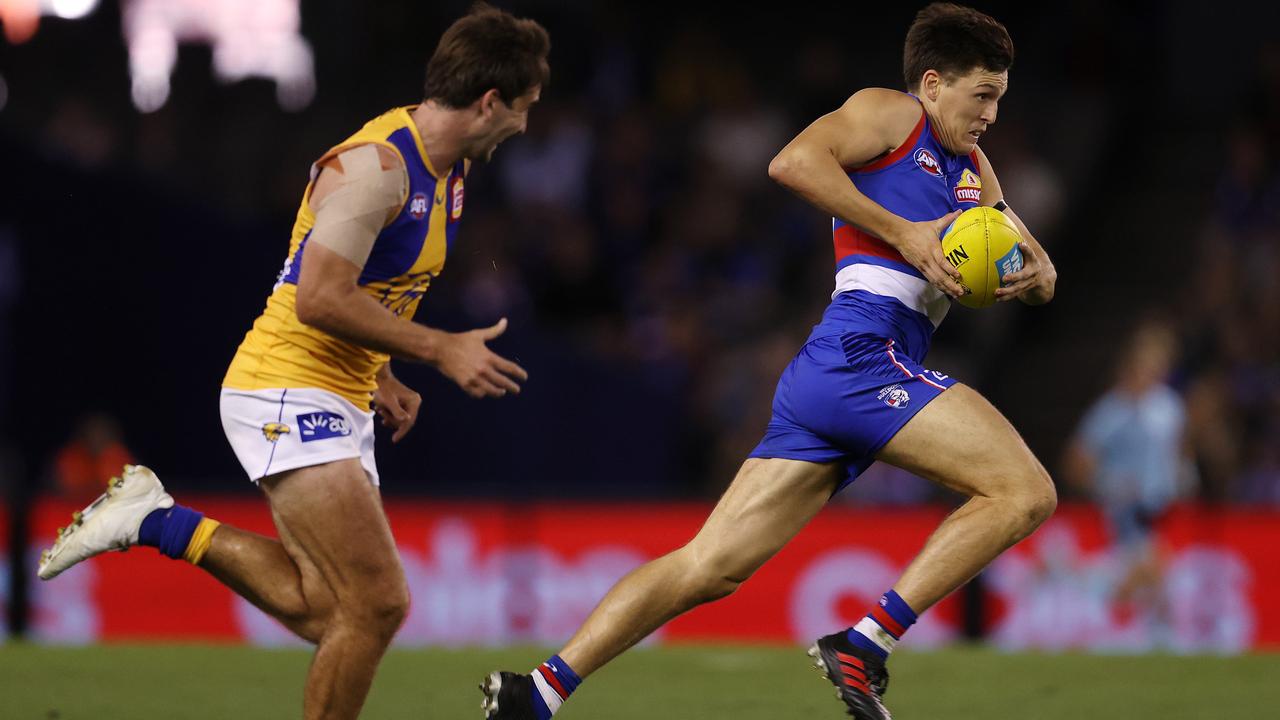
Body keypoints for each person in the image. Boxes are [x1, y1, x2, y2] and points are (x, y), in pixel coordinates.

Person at [481, 4, 1056, 720]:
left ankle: (535, 692)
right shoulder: (890, 114)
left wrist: (1031, 276)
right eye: (983, 96)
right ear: (934, 84)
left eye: (999, 97)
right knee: (1025, 491)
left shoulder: (974, 170)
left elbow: (1042, 269)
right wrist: (904, 234)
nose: (993, 114)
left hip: (837, 374)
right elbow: (792, 162)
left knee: (708, 566)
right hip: (861, 357)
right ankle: (867, 644)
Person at [37, 4, 548, 719]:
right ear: (490, 100)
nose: (526, 124)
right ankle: (152, 520)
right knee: (377, 604)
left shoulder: (449, 171)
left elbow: (378, 289)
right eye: (524, 107)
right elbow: (318, 297)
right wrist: (438, 349)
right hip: (284, 386)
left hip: (335, 391)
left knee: (327, 612)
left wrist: (383, 371)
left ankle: (156, 521)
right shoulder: (375, 168)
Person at [1064, 319, 1191, 646]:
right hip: (1123, 514)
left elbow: (1177, 453)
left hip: (1165, 510)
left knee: (1150, 579)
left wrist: (1183, 477)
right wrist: (1108, 482)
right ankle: (1156, 641)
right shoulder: (1111, 411)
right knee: (1148, 575)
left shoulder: (1169, 408)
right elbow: (1076, 464)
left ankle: (1139, 639)